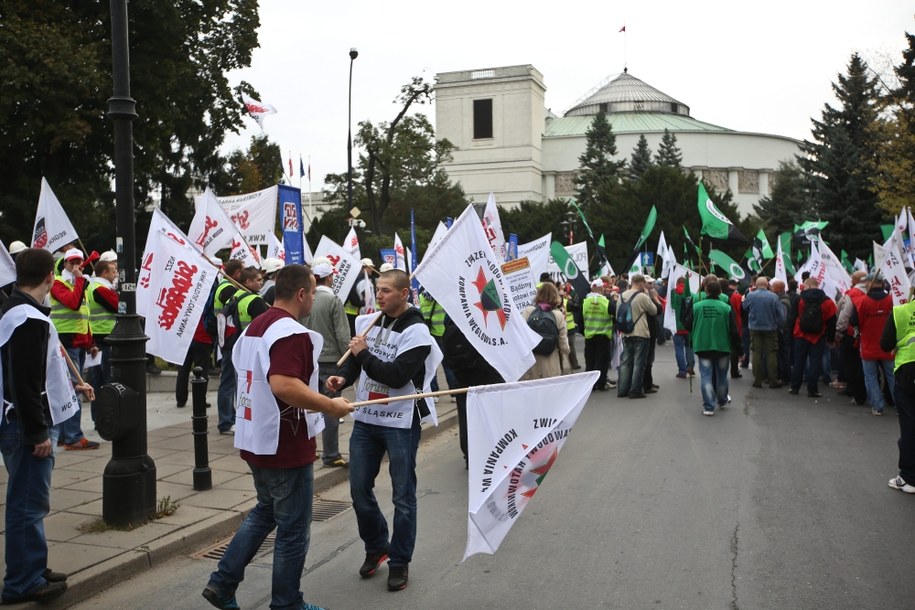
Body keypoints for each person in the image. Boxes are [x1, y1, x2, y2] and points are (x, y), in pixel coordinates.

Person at [202, 264, 354, 610]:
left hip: (257, 437)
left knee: (266, 511)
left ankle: (222, 583)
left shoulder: (258, 325)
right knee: (293, 529)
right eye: (313, 293)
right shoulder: (291, 332)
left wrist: (317, 392)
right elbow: (283, 385)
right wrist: (329, 406)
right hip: (284, 444)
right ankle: (287, 603)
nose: (314, 298)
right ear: (301, 294)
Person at [326, 269, 439, 592]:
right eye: (378, 289)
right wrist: (343, 379)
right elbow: (355, 362)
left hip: (400, 423)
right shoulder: (368, 321)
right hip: (366, 420)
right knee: (359, 489)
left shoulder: (418, 331)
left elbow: (396, 376)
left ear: (404, 294)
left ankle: (400, 561)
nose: (379, 295)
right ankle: (377, 546)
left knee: (403, 495)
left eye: (387, 290)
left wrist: (363, 352)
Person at [0, 248, 94, 604]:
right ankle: (23, 581)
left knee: (30, 502)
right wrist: (37, 432)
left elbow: (37, 369)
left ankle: (33, 568)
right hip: (27, 427)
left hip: (22, 422)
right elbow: (25, 382)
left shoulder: (20, 312)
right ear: (50, 278)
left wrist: (73, 385)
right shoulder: (28, 318)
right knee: (28, 504)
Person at [301, 257, 351, 467]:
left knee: (308, 407)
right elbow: (342, 333)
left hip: (309, 359)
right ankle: (331, 454)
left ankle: (309, 451)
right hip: (331, 360)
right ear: (329, 278)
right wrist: (347, 358)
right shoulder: (332, 300)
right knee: (330, 409)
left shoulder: (305, 298)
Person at [49, 248, 100, 450]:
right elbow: (72, 303)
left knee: (70, 388)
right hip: (66, 343)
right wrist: (80, 281)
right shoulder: (59, 284)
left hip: (76, 343)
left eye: (79, 261)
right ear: (64, 265)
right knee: (74, 389)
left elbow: (83, 317)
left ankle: (65, 435)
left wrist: (90, 343)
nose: (76, 266)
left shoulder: (77, 284)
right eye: (72, 262)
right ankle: (73, 436)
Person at [880, 290, 915, 494]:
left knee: (909, 424)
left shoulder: (900, 311)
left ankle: (909, 477)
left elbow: (885, 344)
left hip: (907, 371)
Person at [691, 280, 739, 416]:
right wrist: (739, 349)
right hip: (722, 346)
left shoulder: (697, 306)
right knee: (722, 376)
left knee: (706, 376)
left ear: (706, 291)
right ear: (720, 292)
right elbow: (734, 330)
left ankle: (708, 406)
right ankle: (722, 400)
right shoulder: (726, 308)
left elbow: (687, 323)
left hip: (703, 345)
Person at [849, 275, 894, 415]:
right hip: (888, 346)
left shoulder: (862, 301)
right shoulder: (891, 300)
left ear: (870, 283)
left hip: (868, 345)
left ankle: (877, 406)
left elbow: (853, 321)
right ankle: (900, 406)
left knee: (871, 377)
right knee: (892, 376)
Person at [211, 260, 246, 435]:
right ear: (237, 273)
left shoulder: (226, 286)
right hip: (230, 339)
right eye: (243, 271)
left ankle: (229, 418)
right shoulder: (228, 289)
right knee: (228, 382)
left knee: (230, 381)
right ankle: (225, 422)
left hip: (228, 338)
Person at [789, 277, 838, 398]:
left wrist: (791, 334)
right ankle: (812, 389)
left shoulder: (799, 299)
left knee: (799, 361)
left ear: (809, 285)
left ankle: (795, 387)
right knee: (815, 362)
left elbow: (792, 318)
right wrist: (831, 339)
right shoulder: (827, 301)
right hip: (819, 335)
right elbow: (832, 322)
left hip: (800, 334)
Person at [616, 274, 659, 399]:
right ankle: (635, 390)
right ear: (641, 284)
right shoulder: (642, 296)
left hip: (625, 333)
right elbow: (654, 310)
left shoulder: (621, 296)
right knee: (639, 363)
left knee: (626, 362)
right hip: (640, 332)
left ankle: (623, 389)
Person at [86, 258, 118, 421]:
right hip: (106, 341)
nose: (115, 274)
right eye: (113, 271)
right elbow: (120, 306)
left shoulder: (91, 287)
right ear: (104, 273)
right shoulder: (101, 289)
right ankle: (107, 417)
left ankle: (98, 418)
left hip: (95, 342)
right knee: (107, 382)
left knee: (97, 382)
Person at [741, 276, 785, 389]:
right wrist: (780, 327)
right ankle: (773, 380)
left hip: (754, 328)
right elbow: (780, 315)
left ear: (756, 285)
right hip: (770, 328)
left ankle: (757, 380)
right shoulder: (773, 297)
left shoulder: (751, 295)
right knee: (771, 354)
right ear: (767, 285)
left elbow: (744, 307)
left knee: (756, 353)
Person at [521, 282, 570, 380]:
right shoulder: (557, 315)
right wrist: (567, 351)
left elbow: (520, 335)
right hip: (550, 362)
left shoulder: (528, 311)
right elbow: (563, 342)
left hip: (531, 362)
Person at [582, 279, 614, 392]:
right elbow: (614, 312)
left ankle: (590, 384)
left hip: (589, 335)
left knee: (590, 360)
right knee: (602, 361)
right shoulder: (605, 301)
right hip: (603, 334)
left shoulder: (585, 301)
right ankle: (600, 383)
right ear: (601, 288)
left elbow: (581, 317)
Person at [670, 276, 695, 379]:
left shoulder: (673, 293)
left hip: (677, 326)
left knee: (679, 348)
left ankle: (682, 370)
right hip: (689, 326)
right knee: (690, 348)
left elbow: (671, 307)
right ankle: (690, 366)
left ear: (677, 283)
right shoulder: (691, 295)